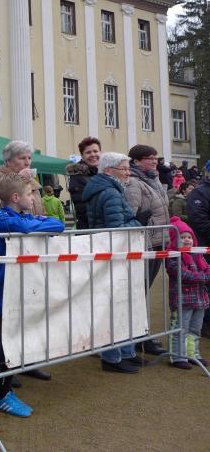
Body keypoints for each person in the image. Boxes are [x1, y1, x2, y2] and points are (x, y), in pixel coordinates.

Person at [0, 174, 65, 417]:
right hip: (1, 291)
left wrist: (36, 223)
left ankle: (9, 385)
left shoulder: (22, 216)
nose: (33, 199)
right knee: (5, 343)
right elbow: (25, 228)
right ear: (15, 197)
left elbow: (58, 225)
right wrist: (36, 224)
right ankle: (2, 395)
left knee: (17, 338)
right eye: (30, 194)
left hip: (19, 289)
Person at [82, 152, 146, 373]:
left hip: (113, 255)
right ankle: (113, 357)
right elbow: (116, 229)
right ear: (109, 171)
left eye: (128, 168)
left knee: (120, 306)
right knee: (114, 308)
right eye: (124, 169)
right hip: (113, 255)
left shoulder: (108, 189)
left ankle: (124, 352)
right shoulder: (110, 193)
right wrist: (139, 223)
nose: (128, 173)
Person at [125, 145, 170, 355]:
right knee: (139, 293)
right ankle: (137, 337)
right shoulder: (134, 183)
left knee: (144, 292)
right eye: (149, 158)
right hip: (145, 244)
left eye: (155, 158)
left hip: (158, 242)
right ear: (136, 161)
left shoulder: (154, 179)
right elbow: (131, 215)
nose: (154, 161)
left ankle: (142, 335)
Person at [165, 216, 210, 369]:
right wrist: (204, 277)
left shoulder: (198, 255)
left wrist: (203, 276)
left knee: (195, 329)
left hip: (200, 299)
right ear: (174, 240)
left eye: (189, 237)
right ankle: (177, 356)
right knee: (180, 328)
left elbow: (207, 269)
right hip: (182, 301)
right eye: (182, 237)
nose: (187, 240)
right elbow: (186, 275)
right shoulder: (173, 258)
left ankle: (192, 354)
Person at [0, 140, 44, 216]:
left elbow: (41, 210)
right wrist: (18, 179)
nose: (27, 163)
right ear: (8, 161)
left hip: (33, 223)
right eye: (22, 158)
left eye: (29, 158)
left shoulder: (30, 180)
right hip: (7, 223)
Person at [187, 160, 210, 338]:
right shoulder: (199, 192)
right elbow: (199, 220)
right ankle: (205, 324)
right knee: (206, 286)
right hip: (205, 248)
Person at [66, 136, 101, 229]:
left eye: (95, 151)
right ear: (82, 156)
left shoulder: (102, 174)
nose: (93, 154)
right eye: (88, 152)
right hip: (89, 229)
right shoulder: (78, 176)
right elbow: (83, 209)